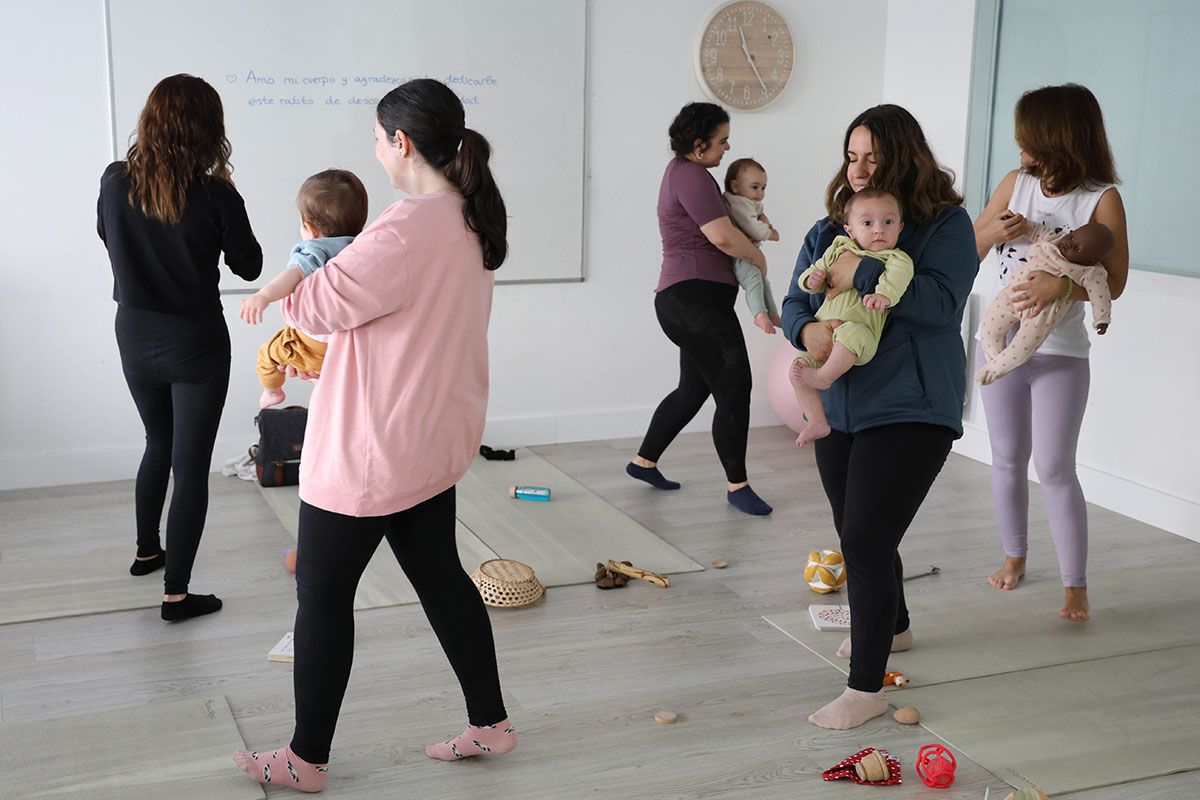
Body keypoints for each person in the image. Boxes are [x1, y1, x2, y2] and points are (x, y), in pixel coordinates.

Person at [233, 78, 515, 793]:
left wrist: (307, 252)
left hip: (372, 449)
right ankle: (490, 723)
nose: (375, 148)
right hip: (428, 442)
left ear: (402, 143)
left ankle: (303, 760)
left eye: (377, 137)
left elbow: (313, 312)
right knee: (440, 579)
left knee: (323, 596)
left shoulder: (404, 227)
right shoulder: (469, 218)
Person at [780, 105, 977, 729]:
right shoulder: (831, 225)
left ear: (903, 156)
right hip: (842, 404)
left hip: (915, 404)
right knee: (859, 529)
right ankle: (895, 627)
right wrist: (809, 326)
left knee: (865, 533)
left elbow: (943, 304)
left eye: (872, 157)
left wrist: (860, 268)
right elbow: (793, 302)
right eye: (852, 155)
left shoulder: (943, 224)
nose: (859, 170)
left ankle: (866, 689)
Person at [97, 74, 263, 621]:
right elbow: (251, 266)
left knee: (157, 442)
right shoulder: (215, 194)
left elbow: (108, 236)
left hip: (134, 335)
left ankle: (148, 550)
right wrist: (230, 199)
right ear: (209, 129)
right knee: (190, 468)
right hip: (195, 343)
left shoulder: (114, 181)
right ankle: (176, 595)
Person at [973, 83, 1129, 622]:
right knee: (1007, 458)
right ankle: (1014, 556)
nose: (1021, 152)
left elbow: (1117, 281)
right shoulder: (1016, 185)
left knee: (1057, 467)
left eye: (1029, 142)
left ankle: (1075, 585)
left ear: (1059, 139)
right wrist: (995, 229)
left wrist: (1060, 289)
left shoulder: (1101, 197)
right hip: (999, 342)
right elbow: (970, 244)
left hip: (1062, 351)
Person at [626, 102, 773, 517]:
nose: (727, 148)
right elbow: (724, 238)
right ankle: (737, 486)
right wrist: (760, 262)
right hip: (693, 301)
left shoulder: (688, 173)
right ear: (698, 144)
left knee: (694, 388)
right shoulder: (690, 175)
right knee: (735, 387)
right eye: (722, 140)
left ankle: (644, 462)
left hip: (690, 300)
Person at [789, 188, 914, 446]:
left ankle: (825, 377)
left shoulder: (896, 258)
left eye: (888, 222)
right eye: (868, 223)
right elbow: (813, 274)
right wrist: (812, 280)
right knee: (796, 369)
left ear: (900, 227)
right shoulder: (837, 248)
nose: (879, 229)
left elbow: (897, 280)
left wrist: (884, 296)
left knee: (850, 334)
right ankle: (816, 420)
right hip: (822, 335)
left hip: (860, 334)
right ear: (850, 230)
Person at [239, 169, 369, 408]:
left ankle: (272, 391)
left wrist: (263, 295)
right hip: (347, 346)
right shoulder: (363, 248)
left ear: (310, 229)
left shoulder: (315, 250)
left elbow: (293, 275)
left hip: (309, 342)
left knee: (266, 354)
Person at [976, 221, 1114, 385]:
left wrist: (1102, 318)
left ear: (1090, 260)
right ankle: (995, 360)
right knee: (988, 329)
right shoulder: (1052, 241)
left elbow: (1100, 293)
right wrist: (1021, 223)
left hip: (1042, 313)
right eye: (1071, 237)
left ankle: (995, 369)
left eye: (1076, 248)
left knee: (1023, 345)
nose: (1068, 245)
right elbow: (1036, 230)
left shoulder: (1090, 272)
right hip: (1014, 293)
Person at [722, 157, 782, 334]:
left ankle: (772, 313)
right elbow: (752, 226)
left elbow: (760, 217)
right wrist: (769, 233)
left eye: (763, 188)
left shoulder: (749, 203)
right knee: (754, 280)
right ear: (735, 186)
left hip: (749, 252)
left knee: (763, 283)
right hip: (739, 255)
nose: (760, 193)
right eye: (755, 187)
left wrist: (766, 223)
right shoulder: (737, 203)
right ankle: (759, 314)